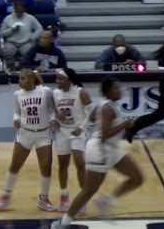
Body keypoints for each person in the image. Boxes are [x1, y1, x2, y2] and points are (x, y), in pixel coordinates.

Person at [51, 76, 144, 228]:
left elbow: (89, 116)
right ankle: (63, 223)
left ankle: (106, 201)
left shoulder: (105, 105)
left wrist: (80, 128)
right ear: (108, 92)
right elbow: (105, 134)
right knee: (89, 190)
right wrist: (124, 125)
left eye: (118, 87)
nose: (119, 90)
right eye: (115, 88)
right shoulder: (107, 108)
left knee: (137, 178)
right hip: (100, 150)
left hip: (111, 149)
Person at [0, 69, 57, 212]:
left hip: (43, 134)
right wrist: (16, 119)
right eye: (19, 79)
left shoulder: (45, 91)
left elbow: (53, 110)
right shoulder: (18, 94)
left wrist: (53, 119)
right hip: (25, 134)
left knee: (46, 168)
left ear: (31, 79)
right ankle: (6, 194)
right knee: (15, 166)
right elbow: (16, 112)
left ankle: (44, 199)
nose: (20, 81)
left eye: (22, 78)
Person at [51, 68, 93, 212]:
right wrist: (55, 119)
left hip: (78, 131)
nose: (57, 82)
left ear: (69, 80)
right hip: (62, 131)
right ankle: (64, 196)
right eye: (56, 79)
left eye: (60, 79)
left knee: (79, 162)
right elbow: (54, 112)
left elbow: (91, 114)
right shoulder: (55, 94)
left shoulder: (80, 92)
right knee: (62, 165)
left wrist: (81, 128)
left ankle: (83, 199)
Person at [0, 1, 43, 70]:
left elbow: (39, 29)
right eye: (17, 11)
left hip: (26, 42)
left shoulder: (30, 18)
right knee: (7, 52)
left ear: (24, 10)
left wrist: (33, 37)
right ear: (14, 10)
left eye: (21, 11)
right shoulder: (7, 18)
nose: (19, 13)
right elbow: (2, 33)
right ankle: (10, 68)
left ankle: (24, 68)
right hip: (11, 42)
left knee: (29, 53)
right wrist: (11, 30)